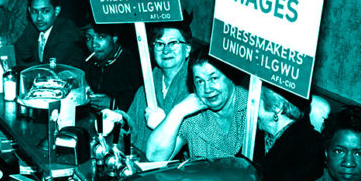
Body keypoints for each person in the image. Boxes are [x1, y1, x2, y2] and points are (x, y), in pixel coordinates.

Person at [146, 50, 247, 161]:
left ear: (230, 76)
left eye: (213, 78)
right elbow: (155, 156)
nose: (207, 89)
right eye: (200, 81)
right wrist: (177, 112)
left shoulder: (253, 108)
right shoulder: (194, 117)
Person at [123, 14, 193, 157]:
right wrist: (117, 120)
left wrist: (163, 125)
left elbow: (191, 145)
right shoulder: (146, 86)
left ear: (187, 49)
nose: (166, 50)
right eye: (159, 44)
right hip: (138, 164)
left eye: (173, 43)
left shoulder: (196, 90)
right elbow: (131, 127)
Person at [14, 0, 88, 68]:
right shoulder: (31, 28)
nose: (39, 18)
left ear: (56, 11)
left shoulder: (68, 32)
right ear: (29, 10)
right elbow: (19, 54)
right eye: (34, 11)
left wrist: (31, 65)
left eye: (45, 11)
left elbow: (50, 67)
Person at [81, 22, 143, 111]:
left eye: (101, 37)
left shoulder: (134, 65)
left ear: (114, 37)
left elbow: (141, 103)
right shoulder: (88, 63)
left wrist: (113, 103)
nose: (94, 44)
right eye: (88, 38)